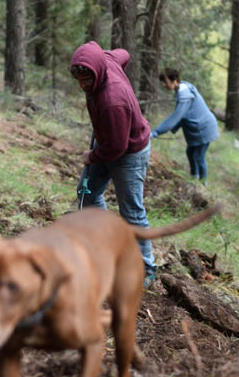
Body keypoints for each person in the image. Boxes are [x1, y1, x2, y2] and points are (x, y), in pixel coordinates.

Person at [70, 40, 157, 286]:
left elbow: (117, 148)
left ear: (97, 72)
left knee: (131, 210)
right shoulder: (106, 61)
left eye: (87, 80)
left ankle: (146, 268)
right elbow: (124, 53)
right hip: (109, 139)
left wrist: (92, 156)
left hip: (129, 151)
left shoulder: (112, 100)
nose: (83, 85)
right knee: (86, 192)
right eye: (80, 80)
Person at [150, 67, 219, 183]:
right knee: (190, 152)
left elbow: (176, 116)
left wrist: (155, 132)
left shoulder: (184, 95)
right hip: (200, 128)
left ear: (175, 80)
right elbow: (184, 114)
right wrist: (175, 128)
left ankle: (203, 183)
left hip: (205, 128)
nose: (163, 85)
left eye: (165, 82)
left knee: (199, 156)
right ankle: (194, 177)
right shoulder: (182, 89)